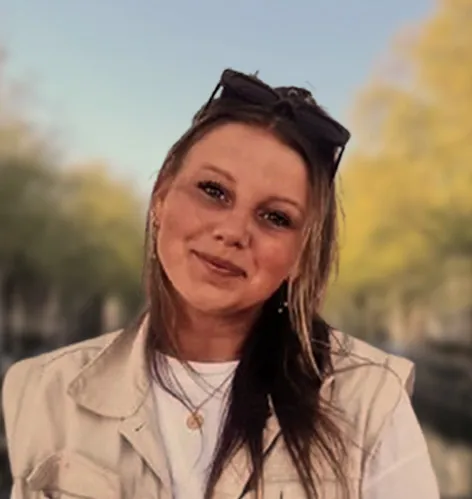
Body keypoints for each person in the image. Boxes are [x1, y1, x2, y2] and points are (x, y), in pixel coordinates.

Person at [2, 69, 439, 499]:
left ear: (301, 257)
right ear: (160, 199)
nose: (233, 232)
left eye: (275, 217)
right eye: (214, 191)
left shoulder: (371, 401)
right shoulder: (42, 390)